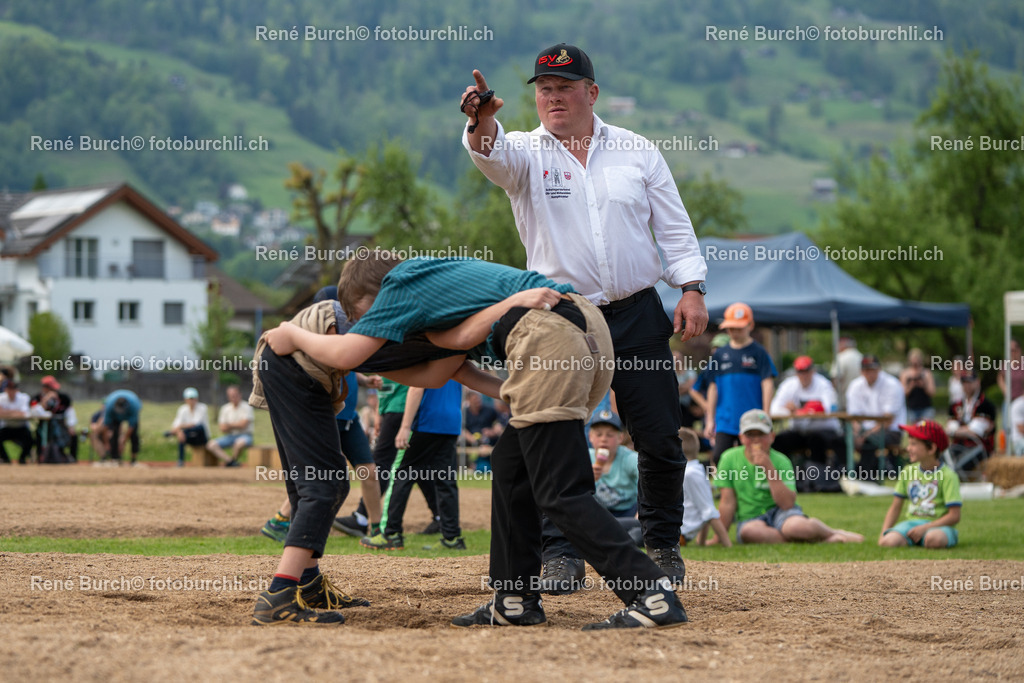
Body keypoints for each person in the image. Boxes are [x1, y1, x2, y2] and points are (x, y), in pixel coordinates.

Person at [264, 251, 688, 630]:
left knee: (559, 491)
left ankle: (649, 593)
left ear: (373, 292)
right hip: (579, 334)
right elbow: (446, 361)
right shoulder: (442, 300)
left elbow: (347, 355)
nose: (371, 327)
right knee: (509, 467)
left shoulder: (399, 281)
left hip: (548, 334)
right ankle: (515, 600)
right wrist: (514, 381)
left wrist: (292, 334)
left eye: (364, 315)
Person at [461, 42, 709, 581]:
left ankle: (664, 546)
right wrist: (480, 124)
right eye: (544, 89)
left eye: (565, 88)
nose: (552, 98)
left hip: (637, 311)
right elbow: (491, 156)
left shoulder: (637, 150)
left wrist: (690, 287)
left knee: (661, 436)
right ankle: (560, 554)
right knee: (557, 435)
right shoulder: (524, 150)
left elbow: (673, 227)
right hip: (562, 317)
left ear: (591, 93)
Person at [248, 291, 372, 626]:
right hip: (293, 369)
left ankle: (309, 582)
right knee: (325, 485)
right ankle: (279, 595)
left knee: (309, 487)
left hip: (287, 368)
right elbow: (345, 353)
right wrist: (291, 333)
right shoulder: (346, 321)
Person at [715, 409, 863, 544]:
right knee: (750, 532)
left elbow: (787, 504)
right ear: (741, 437)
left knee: (796, 527)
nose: (756, 440)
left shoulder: (781, 460)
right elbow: (727, 502)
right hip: (751, 519)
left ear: (772, 436)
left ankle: (832, 533)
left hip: (782, 512)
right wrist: (719, 537)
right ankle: (814, 541)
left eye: (761, 434)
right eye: (750, 435)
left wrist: (769, 468)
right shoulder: (728, 459)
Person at [537, 409, 644, 595]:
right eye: (599, 434)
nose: (604, 439)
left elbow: (646, 486)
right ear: (590, 437)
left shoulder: (630, 459)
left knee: (638, 529)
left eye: (610, 435)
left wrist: (640, 514)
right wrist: (586, 477)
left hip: (627, 515)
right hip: (597, 518)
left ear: (620, 438)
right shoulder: (583, 457)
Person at [361, 380, 465, 550]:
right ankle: (452, 538)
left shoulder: (426, 353)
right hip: (451, 422)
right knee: (445, 481)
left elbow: (417, 386)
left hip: (425, 420)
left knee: (400, 475)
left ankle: (390, 534)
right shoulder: (455, 355)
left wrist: (405, 426)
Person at [332, 376, 441, 538]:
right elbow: (382, 382)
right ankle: (441, 516)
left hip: (400, 408)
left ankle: (366, 519)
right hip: (397, 408)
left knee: (383, 465)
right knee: (415, 465)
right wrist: (379, 411)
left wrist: (390, 416)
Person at [704, 302, 777, 465]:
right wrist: (710, 419)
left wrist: (766, 413)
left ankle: (750, 489)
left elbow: (767, 383)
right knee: (719, 457)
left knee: (754, 458)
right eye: (731, 328)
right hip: (726, 418)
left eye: (738, 328)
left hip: (753, 417)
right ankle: (724, 490)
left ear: (750, 325)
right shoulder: (720, 354)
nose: (734, 332)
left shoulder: (759, 352)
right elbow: (713, 387)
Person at [879, 420, 961, 548]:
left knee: (934, 539)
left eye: (914, 444)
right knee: (888, 542)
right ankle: (915, 539)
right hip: (912, 525)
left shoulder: (948, 476)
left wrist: (925, 528)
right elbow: (895, 507)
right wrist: (883, 534)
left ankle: (923, 538)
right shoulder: (908, 471)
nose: (908, 448)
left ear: (931, 449)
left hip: (940, 526)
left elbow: (954, 516)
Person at [769, 355, 845, 482]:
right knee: (779, 441)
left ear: (812, 371)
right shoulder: (788, 385)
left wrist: (799, 410)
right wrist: (789, 410)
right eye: (800, 372)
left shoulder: (823, 384)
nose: (804, 375)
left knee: (816, 440)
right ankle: (787, 477)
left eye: (806, 371)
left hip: (824, 431)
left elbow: (828, 409)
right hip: (800, 431)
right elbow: (774, 409)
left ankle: (817, 479)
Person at [846, 355, 906, 479]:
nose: (870, 373)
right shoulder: (855, 386)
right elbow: (854, 417)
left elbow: (888, 420)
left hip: (891, 430)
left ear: (879, 369)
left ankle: (865, 476)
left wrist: (865, 435)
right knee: (841, 440)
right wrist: (857, 433)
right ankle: (844, 473)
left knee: (870, 441)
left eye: (873, 370)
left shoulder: (892, 384)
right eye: (867, 370)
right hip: (866, 430)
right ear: (861, 371)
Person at [679, 427, 731, 547]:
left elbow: (709, 512)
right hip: (674, 533)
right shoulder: (696, 471)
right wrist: (701, 543)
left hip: (675, 535)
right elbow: (705, 509)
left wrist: (728, 545)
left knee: (631, 532)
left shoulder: (690, 474)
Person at [945, 371, 997, 469]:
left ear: (977, 382)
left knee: (957, 466)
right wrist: (965, 430)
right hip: (958, 447)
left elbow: (976, 432)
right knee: (941, 460)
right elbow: (949, 428)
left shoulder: (986, 405)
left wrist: (955, 431)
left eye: (969, 382)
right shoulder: (956, 405)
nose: (966, 385)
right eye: (964, 382)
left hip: (980, 448)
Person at [31, 376, 78, 463]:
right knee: (38, 435)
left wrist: (71, 426)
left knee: (73, 436)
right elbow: (34, 412)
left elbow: (70, 412)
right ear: (44, 388)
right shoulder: (37, 398)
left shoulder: (64, 398)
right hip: (44, 426)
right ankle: (40, 458)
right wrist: (45, 400)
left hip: (61, 425)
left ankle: (72, 458)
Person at [90, 389, 141, 466]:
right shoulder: (110, 406)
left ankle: (133, 460)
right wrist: (107, 443)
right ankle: (115, 458)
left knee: (134, 435)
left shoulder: (134, 406)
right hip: (114, 413)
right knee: (114, 434)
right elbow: (105, 427)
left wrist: (124, 440)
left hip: (131, 408)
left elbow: (131, 426)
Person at [206, 385, 254, 467]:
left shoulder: (247, 407)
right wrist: (237, 424)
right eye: (231, 396)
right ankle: (231, 461)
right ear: (228, 396)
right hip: (230, 436)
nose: (233, 397)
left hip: (245, 435)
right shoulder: (225, 408)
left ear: (240, 394)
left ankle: (233, 461)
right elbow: (222, 428)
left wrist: (229, 425)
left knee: (239, 443)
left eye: (235, 395)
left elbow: (243, 425)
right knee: (211, 445)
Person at [168, 387, 209, 467]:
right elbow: (175, 425)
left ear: (197, 399)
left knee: (199, 427)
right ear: (185, 399)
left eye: (193, 398)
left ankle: (181, 433)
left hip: (201, 437)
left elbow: (195, 424)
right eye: (190, 398)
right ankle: (180, 461)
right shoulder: (182, 409)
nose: (192, 401)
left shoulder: (202, 408)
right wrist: (179, 432)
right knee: (181, 436)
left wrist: (180, 428)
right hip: (189, 435)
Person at [0, 380, 34, 464]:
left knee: (31, 439)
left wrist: (6, 412)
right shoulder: (1, 397)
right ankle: (5, 459)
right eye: (9, 389)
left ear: (17, 390)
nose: (11, 391)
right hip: (7, 427)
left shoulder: (24, 397)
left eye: (13, 389)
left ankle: (22, 459)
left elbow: (23, 413)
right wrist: (15, 412)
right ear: (5, 389)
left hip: (21, 427)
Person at [900, 348, 936, 423]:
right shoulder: (905, 374)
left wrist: (923, 385)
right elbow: (901, 394)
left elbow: (932, 392)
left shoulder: (927, 373)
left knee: (926, 430)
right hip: (911, 409)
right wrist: (911, 386)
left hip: (926, 408)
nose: (915, 362)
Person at [831, 336, 863, 406]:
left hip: (844, 402)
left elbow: (835, 381)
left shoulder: (841, 357)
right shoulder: (861, 357)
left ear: (843, 344)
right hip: (861, 401)